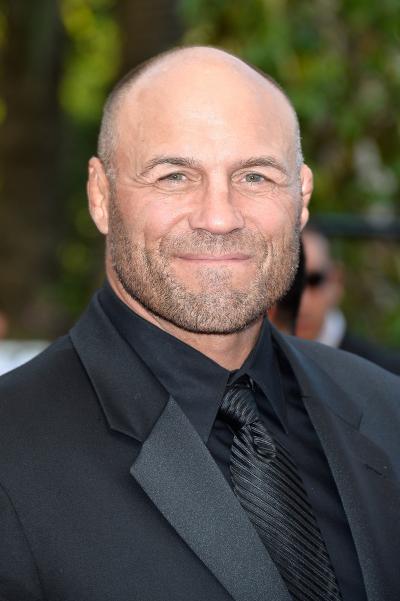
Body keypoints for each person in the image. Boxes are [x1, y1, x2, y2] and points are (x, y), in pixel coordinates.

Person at [0, 47, 399, 601]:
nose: (219, 217)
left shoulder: (386, 410)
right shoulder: (13, 453)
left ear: (301, 197)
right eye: (175, 176)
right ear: (101, 195)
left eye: (254, 175)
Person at [296, 225, 400, 374]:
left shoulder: (384, 371)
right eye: (290, 284)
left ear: (337, 281)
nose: (302, 300)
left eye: (315, 280)